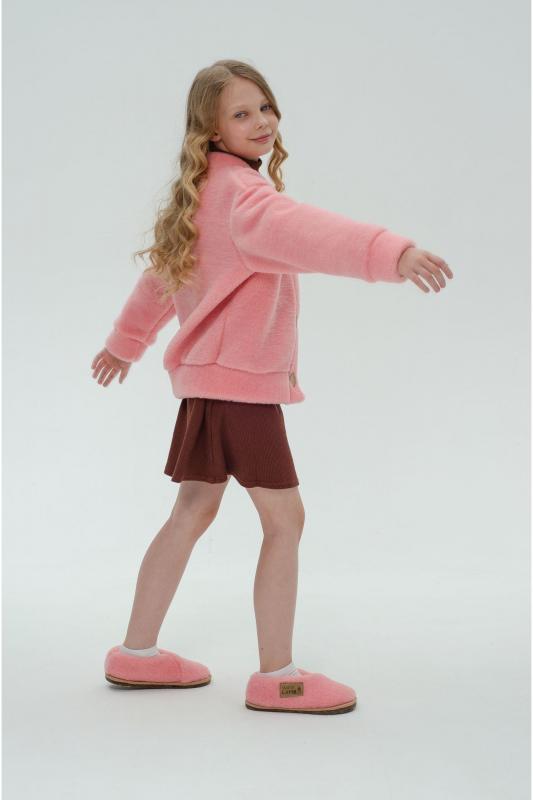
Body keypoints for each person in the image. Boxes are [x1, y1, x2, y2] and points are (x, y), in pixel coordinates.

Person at [92, 59, 453, 714]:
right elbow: (317, 235)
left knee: (192, 510)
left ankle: (135, 653)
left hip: (205, 390)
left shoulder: (202, 194)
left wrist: (124, 343)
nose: (261, 121)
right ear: (211, 131)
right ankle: (278, 677)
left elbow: (160, 278)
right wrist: (392, 253)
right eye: (241, 114)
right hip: (242, 390)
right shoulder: (246, 201)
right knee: (285, 521)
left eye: (265, 107)